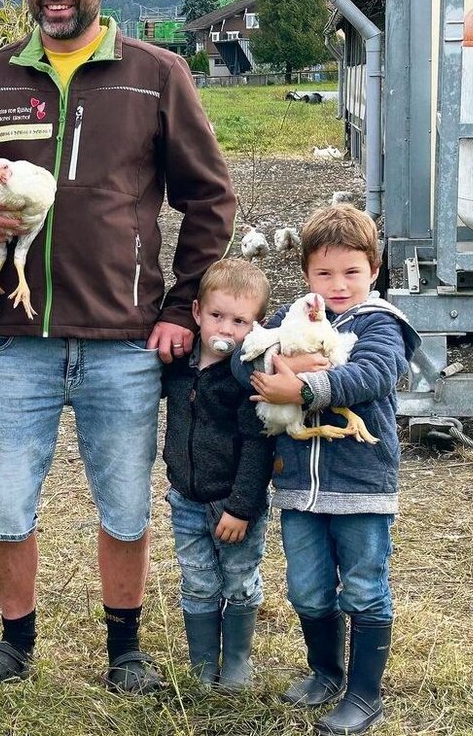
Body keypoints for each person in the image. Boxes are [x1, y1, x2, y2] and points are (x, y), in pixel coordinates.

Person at [0, 0, 237, 692]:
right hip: (12, 332)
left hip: (124, 337)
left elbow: (211, 199)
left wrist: (179, 307)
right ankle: (13, 642)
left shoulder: (156, 74)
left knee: (125, 504)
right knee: (1, 501)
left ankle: (124, 648)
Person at [235, 204, 421, 735]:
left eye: (351, 272)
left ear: (375, 269)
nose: (338, 285)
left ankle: (364, 694)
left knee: (363, 587)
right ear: (306, 274)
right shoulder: (292, 320)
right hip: (297, 486)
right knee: (308, 589)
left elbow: (374, 374)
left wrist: (306, 388)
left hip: (361, 486)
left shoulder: (383, 324)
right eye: (324, 273)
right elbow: (242, 359)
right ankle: (324, 672)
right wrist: (277, 366)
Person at [161, 258, 274, 690]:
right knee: (197, 579)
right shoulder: (178, 366)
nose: (225, 330)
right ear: (196, 313)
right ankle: (203, 664)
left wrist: (241, 506)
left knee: (240, 579)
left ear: (256, 326)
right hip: (186, 500)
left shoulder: (247, 378)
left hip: (234, 505)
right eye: (216, 316)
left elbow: (258, 445)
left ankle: (237, 662)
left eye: (239, 321)